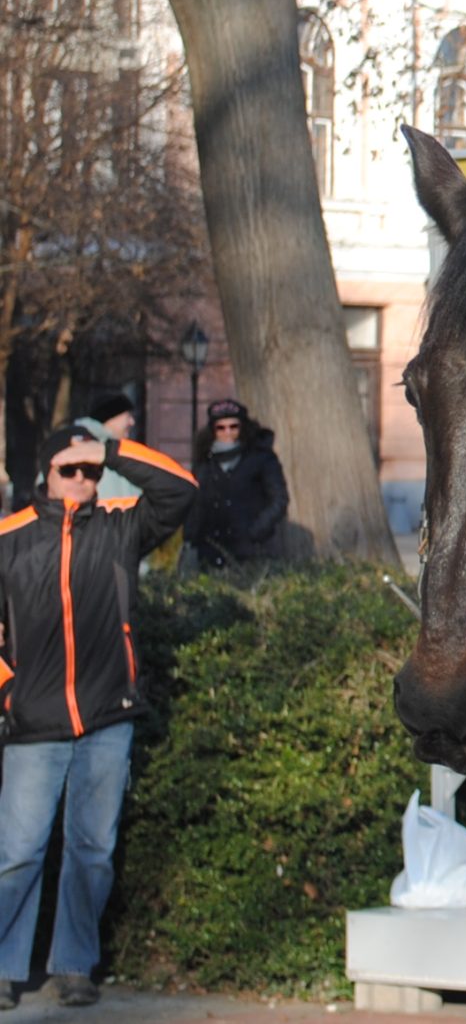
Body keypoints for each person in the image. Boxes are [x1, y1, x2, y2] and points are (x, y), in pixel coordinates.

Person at [0, 422, 196, 1006]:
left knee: (92, 852)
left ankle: (74, 966)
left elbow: (181, 490)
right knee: (18, 854)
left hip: (107, 719)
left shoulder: (119, 525)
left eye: (89, 470)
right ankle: (6, 970)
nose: (82, 479)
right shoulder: (9, 537)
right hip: (33, 725)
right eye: (70, 468)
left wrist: (110, 450)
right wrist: (7, 690)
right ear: (45, 473)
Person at [189, 400, 288, 568]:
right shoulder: (204, 462)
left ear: (243, 428)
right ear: (212, 431)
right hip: (210, 551)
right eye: (221, 428)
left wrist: (256, 531)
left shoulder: (261, 458)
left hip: (250, 551)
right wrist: (191, 536)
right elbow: (195, 501)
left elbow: (279, 499)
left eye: (234, 426)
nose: (227, 432)